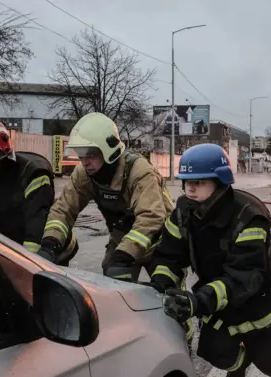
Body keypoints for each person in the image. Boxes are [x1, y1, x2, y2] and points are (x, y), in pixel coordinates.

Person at [148, 143, 271, 377]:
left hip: (257, 298)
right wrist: (161, 283)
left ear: (220, 182)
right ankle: (239, 366)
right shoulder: (184, 211)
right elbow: (169, 255)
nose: (190, 189)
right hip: (218, 294)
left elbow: (244, 276)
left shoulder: (249, 217)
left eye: (199, 182)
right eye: (187, 182)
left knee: (265, 357)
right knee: (214, 350)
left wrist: (199, 301)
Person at [38, 112, 174, 282]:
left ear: (109, 151)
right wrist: (50, 244)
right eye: (81, 154)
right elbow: (63, 210)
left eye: (90, 154)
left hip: (160, 242)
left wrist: (124, 254)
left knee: (168, 286)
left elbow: (151, 218)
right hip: (124, 238)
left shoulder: (140, 172)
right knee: (113, 280)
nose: (84, 162)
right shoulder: (84, 174)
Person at [0, 116, 78, 265]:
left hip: (50, 248)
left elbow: (36, 226)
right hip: (15, 246)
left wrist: (27, 265)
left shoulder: (31, 174)